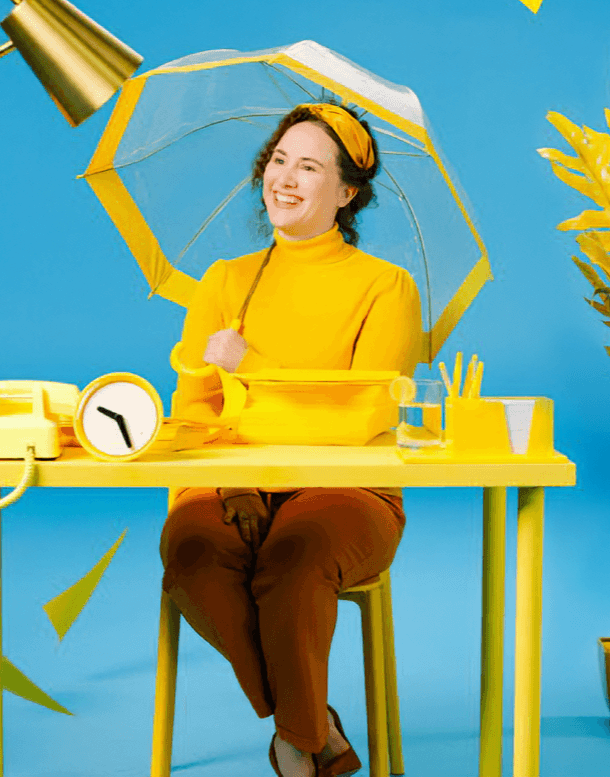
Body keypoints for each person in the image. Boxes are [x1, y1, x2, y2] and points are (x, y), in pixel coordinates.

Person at [159, 101, 423, 777]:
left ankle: (295, 745)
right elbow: (191, 414)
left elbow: (360, 420)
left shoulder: (385, 289)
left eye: (308, 166)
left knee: (295, 555)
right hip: (231, 480)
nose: (285, 178)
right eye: (278, 160)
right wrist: (230, 478)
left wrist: (254, 371)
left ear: (346, 192)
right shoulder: (224, 282)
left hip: (348, 490)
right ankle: (312, 726)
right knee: (191, 552)